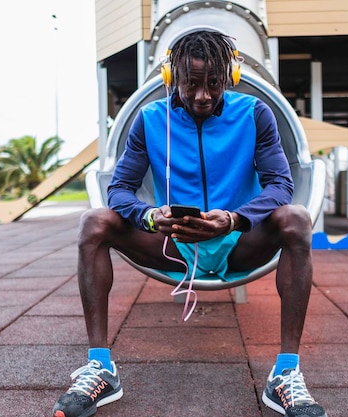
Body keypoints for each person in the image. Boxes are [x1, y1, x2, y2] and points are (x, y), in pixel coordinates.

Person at [53, 30, 327, 417]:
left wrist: (234, 218)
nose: (202, 95)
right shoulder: (149, 119)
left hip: (239, 241)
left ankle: (285, 374)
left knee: (297, 219)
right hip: (173, 247)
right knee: (94, 222)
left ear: (229, 78)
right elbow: (119, 190)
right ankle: (100, 367)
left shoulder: (254, 113)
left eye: (213, 84)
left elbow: (282, 184)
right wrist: (149, 216)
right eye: (191, 83)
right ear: (172, 79)